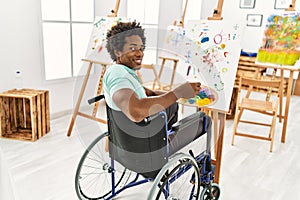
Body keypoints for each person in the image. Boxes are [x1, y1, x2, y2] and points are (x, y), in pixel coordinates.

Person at [103, 21, 212, 177]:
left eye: (141, 49)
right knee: (205, 120)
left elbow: (145, 93)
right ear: (117, 51)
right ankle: (190, 166)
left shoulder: (119, 71)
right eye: (133, 48)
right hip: (146, 152)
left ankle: (167, 141)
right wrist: (178, 92)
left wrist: (175, 93)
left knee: (172, 106)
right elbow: (135, 111)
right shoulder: (118, 76)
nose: (139, 53)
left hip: (125, 145)